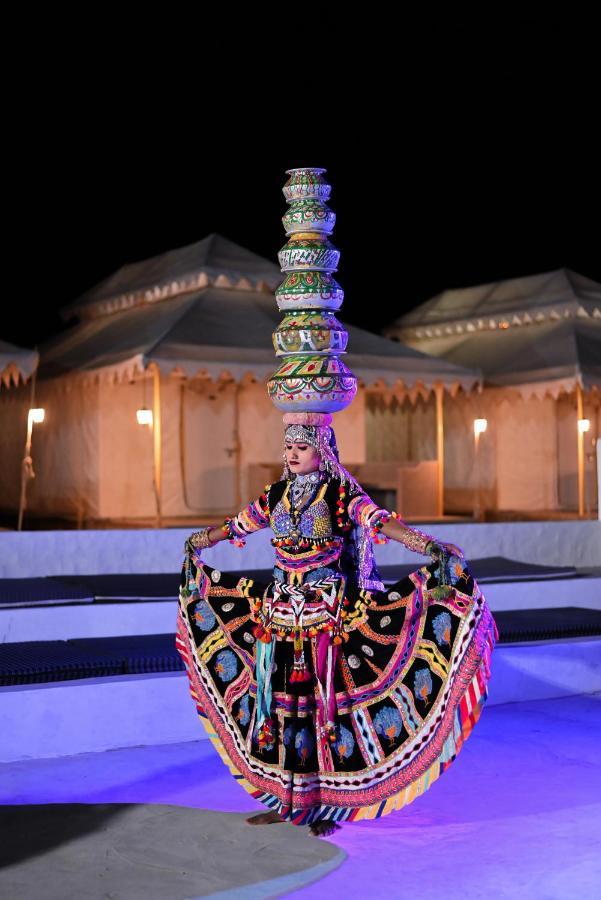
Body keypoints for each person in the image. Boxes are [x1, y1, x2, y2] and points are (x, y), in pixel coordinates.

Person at [175, 418, 498, 838]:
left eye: (301, 448)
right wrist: (202, 539)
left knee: (327, 710)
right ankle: (285, 799)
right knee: (281, 708)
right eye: (288, 446)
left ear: (322, 453)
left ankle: (328, 803)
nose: (291, 454)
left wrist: (427, 545)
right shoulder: (276, 494)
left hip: (328, 616)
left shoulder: (340, 493)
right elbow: (238, 525)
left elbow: (380, 521)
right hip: (278, 618)